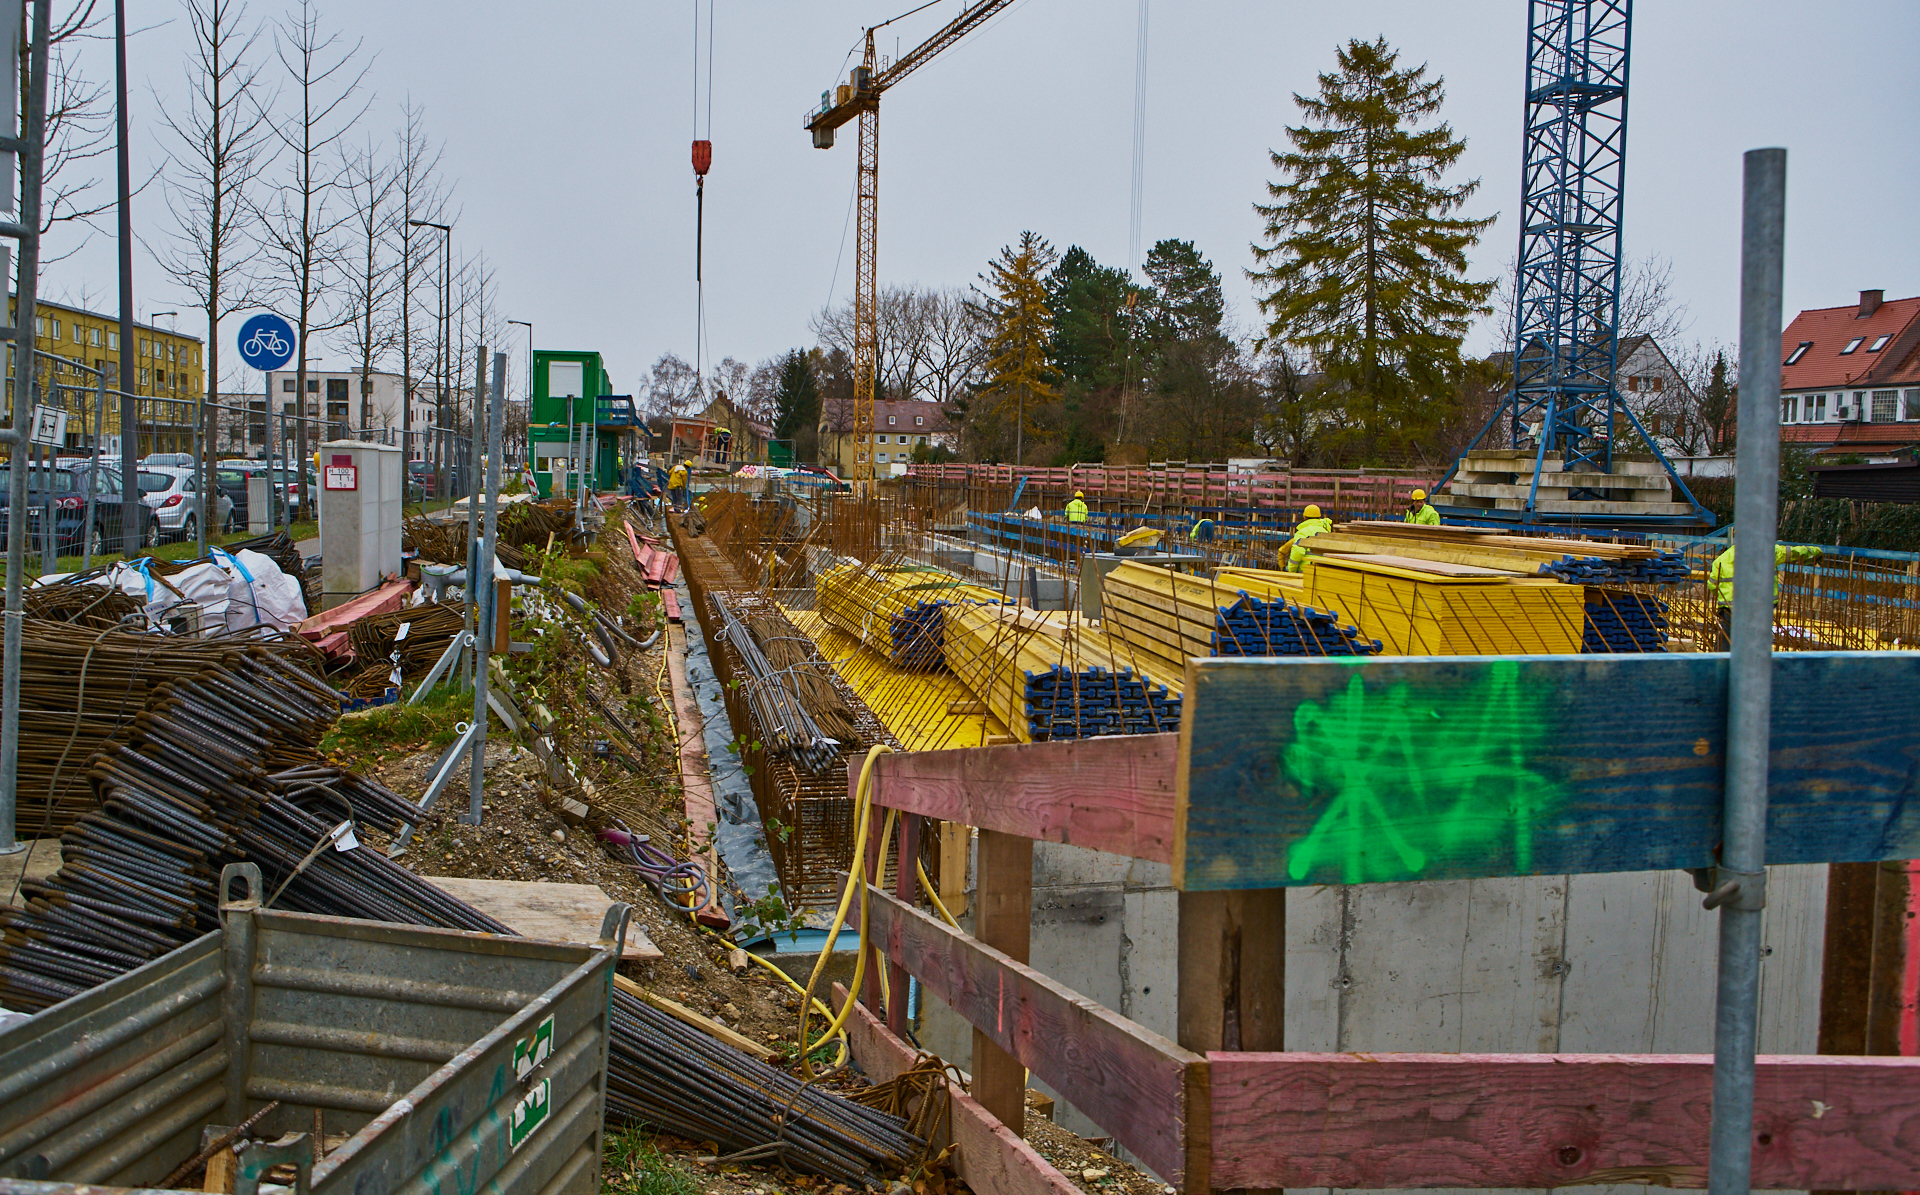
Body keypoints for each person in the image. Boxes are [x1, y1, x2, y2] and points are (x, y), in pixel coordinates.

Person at [1708, 541, 1823, 650]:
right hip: (1760, 607)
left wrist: (1725, 597)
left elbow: (1713, 585)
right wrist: (1814, 551)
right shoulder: (1767, 552)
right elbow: (1794, 552)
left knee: (1726, 641)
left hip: (1731, 608)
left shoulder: (1723, 558)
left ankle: (1720, 666)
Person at [1279, 504, 1332, 572]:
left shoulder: (1302, 532)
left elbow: (1298, 551)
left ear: (1304, 518)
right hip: (1321, 572)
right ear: (1319, 517)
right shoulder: (1325, 532)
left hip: (1304, 572)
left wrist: (1291, 570)